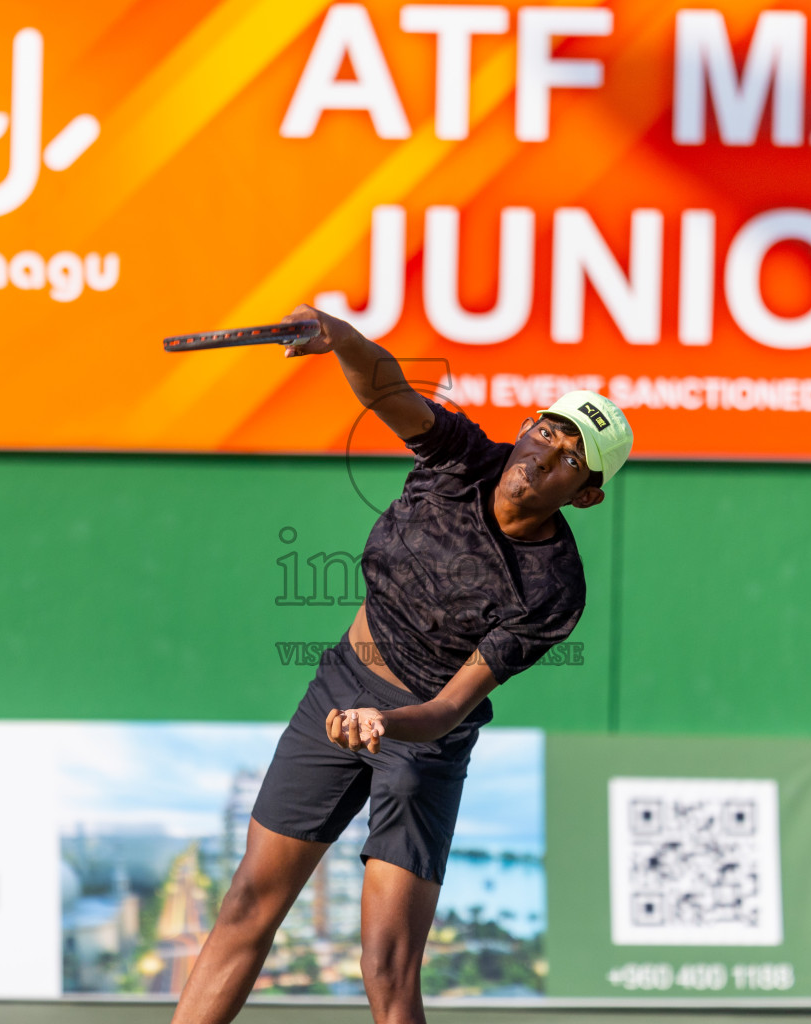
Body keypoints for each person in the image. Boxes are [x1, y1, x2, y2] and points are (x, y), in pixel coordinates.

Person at [169, 305, 633, 1024]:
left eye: (571, 457)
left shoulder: (553, 589)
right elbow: (388, 393)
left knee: (386, 967)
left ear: (587, 494)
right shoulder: (462, 460)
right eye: (546, 430)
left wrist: (383, 722)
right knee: (245, 906)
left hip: (425, 741)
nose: (544, 454)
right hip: (339, 687)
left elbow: (450, 708)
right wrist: (342, 339)